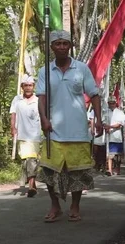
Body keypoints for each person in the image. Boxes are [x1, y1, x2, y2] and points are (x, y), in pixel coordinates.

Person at [35, 30, 102, 223]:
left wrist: (97, 119)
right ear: (52, 47)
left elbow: (94, 94)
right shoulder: (44, 71)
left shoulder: (81, 69)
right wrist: (44, 119)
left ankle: (75, 205)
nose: (62, 47)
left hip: (78, 131)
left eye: (65, 43)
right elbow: (42, 98)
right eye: (58, 43)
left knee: (78, 172)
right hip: (53, 131)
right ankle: (55, 205)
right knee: (49, 170)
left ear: (70, 47)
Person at [10, 74, 41, 197]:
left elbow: (43, 116)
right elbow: (13, 114)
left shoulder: (38, 101)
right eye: (26, 85)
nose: (28, 88)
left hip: (34, 135)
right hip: (22, 134)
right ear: (22, 86)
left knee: (32, 160)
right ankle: (32, 183)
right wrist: (13, 127)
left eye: (30, 85)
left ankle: (31, 187)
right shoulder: (17, 99)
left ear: (33, 87)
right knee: (25, 161)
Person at [103, 96, 125, 176]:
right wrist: (106, 127)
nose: (111, 104)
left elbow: (120, 124)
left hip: (117, 136)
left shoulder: (120, 112)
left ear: (115, 103)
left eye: (113, 103)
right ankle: (109, 170)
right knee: (109, 155)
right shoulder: (106, 112)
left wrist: (110, 127)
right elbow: (103, 122)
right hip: (108, 136)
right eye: (110, 103)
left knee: (117, 155)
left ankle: (117, 169)